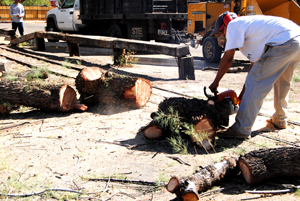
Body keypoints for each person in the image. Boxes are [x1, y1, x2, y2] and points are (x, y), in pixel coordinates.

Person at [208, 11, 300, 139]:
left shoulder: (234, 25)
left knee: (256, 83)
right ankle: (280, 119)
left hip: (284, 41)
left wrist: (216, 82)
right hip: (296, 39)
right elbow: (254, 67)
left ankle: (241, 128)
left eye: (222, 32)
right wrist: (242, 95)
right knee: (282, 81)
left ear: (225, 24)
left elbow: (228, 58)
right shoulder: (251, 28)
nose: (224, 35)